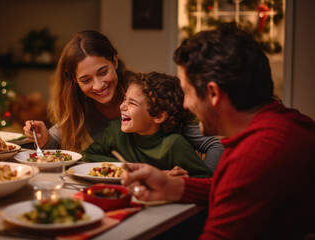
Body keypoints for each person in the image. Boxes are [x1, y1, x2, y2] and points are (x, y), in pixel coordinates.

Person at [121, 23, 315, 239]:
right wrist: (173, 186)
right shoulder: (287, 120)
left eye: (187, 92)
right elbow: (238, 191)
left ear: (213, 93)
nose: (185, 104)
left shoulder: (254, 155)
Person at [23, 30, 223, 171]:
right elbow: (57, 141)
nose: (98, 85)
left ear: (115, 61)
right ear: (74, 80)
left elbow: (214, 144)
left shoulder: (147, 93)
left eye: (103, 72)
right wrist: (44, 139)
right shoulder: (80, 106)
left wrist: (200, 185)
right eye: (86, 80)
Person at [82, 72, 212, 178]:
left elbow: (207, 179)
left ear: (158, 116)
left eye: (132, 103)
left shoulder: (174, 144)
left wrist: (184, 178)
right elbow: (87, 155)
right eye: (124, 99)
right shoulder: (115, 131)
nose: (122, 106)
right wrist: (126, 166)